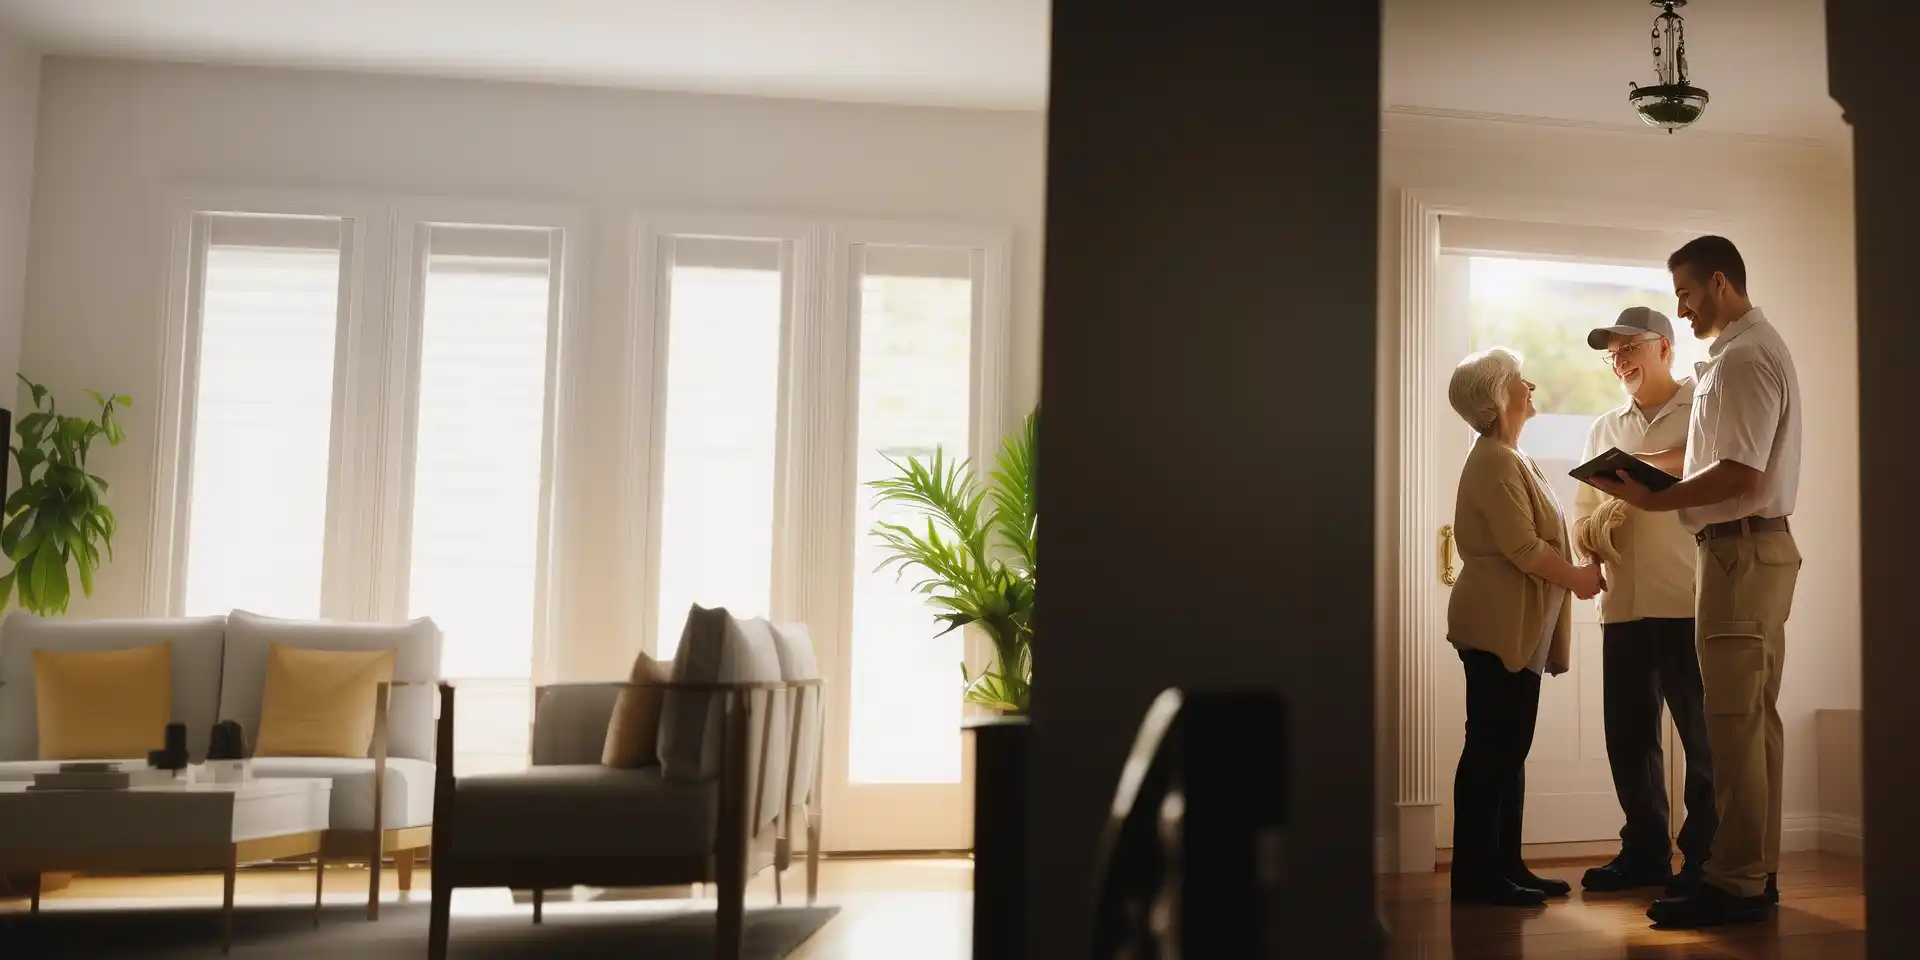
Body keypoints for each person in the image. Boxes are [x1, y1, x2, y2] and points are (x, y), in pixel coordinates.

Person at [1591, 236, 1801, 928]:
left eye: (1684, 292)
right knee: (1748, 724)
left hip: (1739, 552)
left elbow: (1742, 472)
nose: (1679, 307)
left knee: (1733, 728)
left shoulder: (1742, 358)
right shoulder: (1739, 356)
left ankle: (1735, 881)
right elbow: (1728, 459)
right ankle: (1748, 873)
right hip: (1745, 553)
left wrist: (1653, 499)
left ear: (1719, 283)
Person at [1445, 347, 1606, 906]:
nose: (1530, 384)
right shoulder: (1492, 458)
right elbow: (1523, 548)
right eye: (1519, 379)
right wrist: (1579, 579)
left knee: (1507, 748)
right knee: (1492, 748)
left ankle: (1502, 865)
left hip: (1518, 629)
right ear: (1496, 397)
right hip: (1496, 625)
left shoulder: (1512, 456)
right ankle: (1475, 876)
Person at [1573, 307, 1718, 895]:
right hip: (1624, 609)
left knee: (1703, 737)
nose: (1618, 360)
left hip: (1688, 600)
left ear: (1663, 347)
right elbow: (1582, 514)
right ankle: (1645, 852)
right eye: (1611, 353)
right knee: (1628, 735)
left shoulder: (1704, 410)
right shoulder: (1603, 427)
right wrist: (1591, 544)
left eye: (1628, 347)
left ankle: (1707, 858)